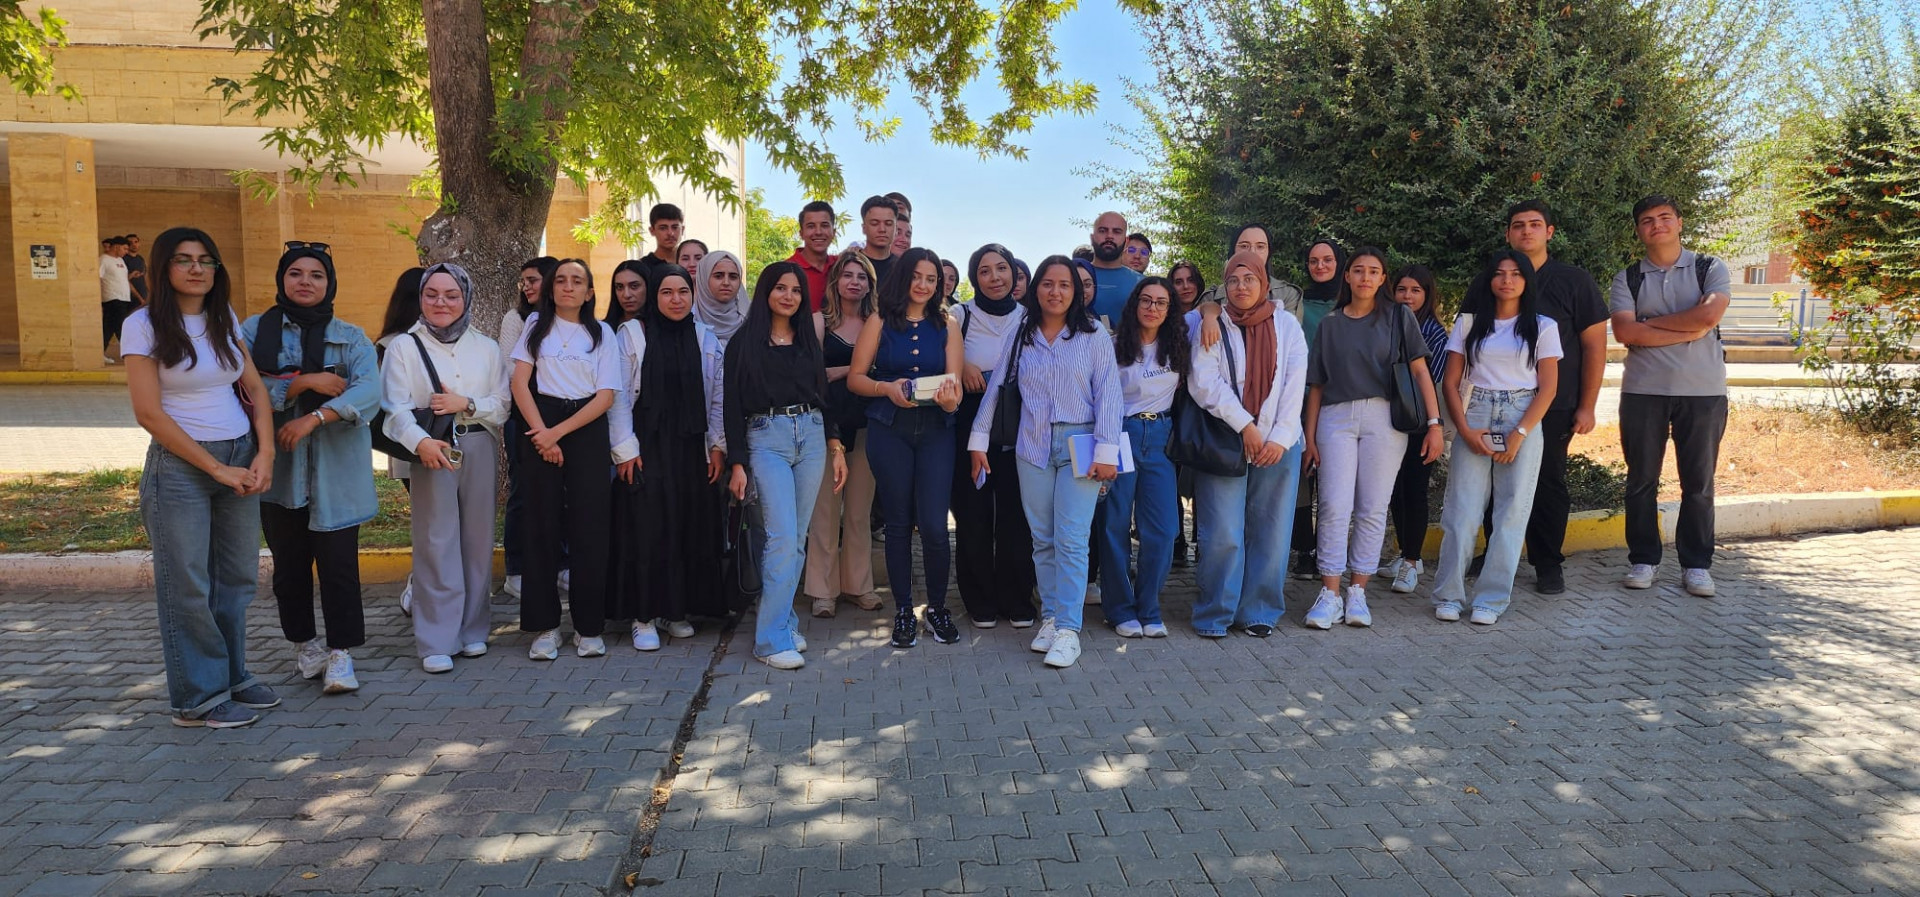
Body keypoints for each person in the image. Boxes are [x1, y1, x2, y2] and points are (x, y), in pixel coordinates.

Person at [124, 227, 279, 728]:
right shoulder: (142, 325)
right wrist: (215, 468)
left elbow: (254, 387)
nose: (197, 269)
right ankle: (198, 699)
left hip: (240, 454)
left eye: (206, 260)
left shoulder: (222, 317)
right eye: (184, 259)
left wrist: (265, 454)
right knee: (187, 584)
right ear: (162, 267)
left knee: (236, 579)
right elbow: (148, 413)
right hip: (181, 468)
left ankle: (232, 676)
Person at [968, 255, 1121, 668]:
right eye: (1048, 284)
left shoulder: (1093, 334)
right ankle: (1052, 618)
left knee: (1071, 538)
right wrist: (978, 441)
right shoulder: (1022, 332)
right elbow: (997, 388)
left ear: (1076, 292)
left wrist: (1107, 451)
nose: (1056, 292)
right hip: (1032, 445)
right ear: (1036, 289)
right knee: (1043, 539)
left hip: (1081, 444)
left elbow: (1109, 393)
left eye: (1065, 285)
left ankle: (1069, 629)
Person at [240, 242, 379, 695]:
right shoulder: (252, 332)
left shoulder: (351, 337)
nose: (305, 282)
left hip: (337, 474)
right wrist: (302, 383)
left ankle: (341, 654)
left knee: (339, 568)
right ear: (281, 279)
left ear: (329, 283)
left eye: (316, 275)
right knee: (289, 569)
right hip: (278, 473)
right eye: (295, 273)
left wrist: (314, 417)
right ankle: (305, 644)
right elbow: (241, 386)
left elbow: (369, 393)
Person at [1302, 246, 1444, 630]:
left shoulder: (1398, 316)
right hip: (1335, 417)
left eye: (1374, 271)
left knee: (1373, 507)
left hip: (1384, 418)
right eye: (1358, 270)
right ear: (1347, 276)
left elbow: (1420, 371)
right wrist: (1309, 438)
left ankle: (1357, 591)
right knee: (1333, 505)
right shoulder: (1330, 324)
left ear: (1383, 279)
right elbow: (1316, 385)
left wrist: (1435, 424)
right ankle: (1329, 593)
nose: (1365, 277)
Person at [381, 262, 510, 671]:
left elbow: (503, 405)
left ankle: (473, 630)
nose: (441, 302)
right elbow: (393, 409)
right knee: (436, 540)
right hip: (431, 447)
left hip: (479, 443)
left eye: (451, 295)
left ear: (465, 298)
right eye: (432, 294)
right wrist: (420, 443)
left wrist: (466, 403)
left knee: (477, 538)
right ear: (420, 297)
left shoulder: (486, 347)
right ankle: (438, 637)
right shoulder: (404, 347)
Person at [724, 262, 848, 670]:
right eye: (780, 288)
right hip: (766, 438)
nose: (788, 296)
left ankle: (783, 621)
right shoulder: (743, 343)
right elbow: (731, 407)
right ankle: (769, 640)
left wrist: (835, 446)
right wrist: (738, 464)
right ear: (765, 292)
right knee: (779, 538)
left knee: (795, 540)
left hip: (811, 436)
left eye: (796, 290)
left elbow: (823, 395)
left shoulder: (807, 339)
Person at [1608, 194, 1730, 596]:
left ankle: (1696, 565)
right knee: (1641, 481)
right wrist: (1689, 329)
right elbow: (1625, 331)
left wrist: (1651, 325)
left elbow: (1709, 315)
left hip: (1703, 391)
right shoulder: (1628, 278)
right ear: (1638, 230)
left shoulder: (1709, 268)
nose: (1656, 225)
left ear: (1679, 223)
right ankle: (1643, 559)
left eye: (1664, 217)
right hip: (1643, 391)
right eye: (1647, 220)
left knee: (1699, 483)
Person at [1431, 251, 1563, 625]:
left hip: (1522, 414)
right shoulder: (1468, 323)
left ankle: (1491, 599)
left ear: (1527, 281)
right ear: (1489, 280)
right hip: (1475, 412)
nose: (1507, 280)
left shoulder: (1543, 326)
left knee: (1511, 513)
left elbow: (1548, 388)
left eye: (1516, 274)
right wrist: (1465, 431)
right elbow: (1451, 383)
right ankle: (1449, 595)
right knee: (1462, 511)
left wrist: (1519, 435)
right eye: (1500, 274)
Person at [1184, 252, 1308, 638]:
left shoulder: (1287, 325)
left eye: (1249, 279)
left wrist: (1280, 438)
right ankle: (1215, 612)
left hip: (1279, 443)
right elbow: (1203, 382)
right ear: (1225, 286)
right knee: (1222, 532)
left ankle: (1259, 611)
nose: (1241, 287)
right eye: (1234, 280)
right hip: (1226, 440)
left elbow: (1295, 383)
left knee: (1271, 530)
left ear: (1264, 283)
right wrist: (1246, 426)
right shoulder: (1213, 323)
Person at [848, 247, 964, 649]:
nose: (923, 285)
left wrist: (950, 401)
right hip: (889, 429)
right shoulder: (880, 319)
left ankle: (937, 608)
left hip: (936, 432)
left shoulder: (947, 324)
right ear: (903, 277)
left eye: (931, 279)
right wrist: (886, 388)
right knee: (897, 523)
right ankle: (902, 610)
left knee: (934, 525)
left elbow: (955, 386)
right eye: (917, 276)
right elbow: (856, 378)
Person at [609, 265, 728, 650]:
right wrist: (624, 449)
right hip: (646, 449)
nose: (676, 300)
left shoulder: (705, 336)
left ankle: (675, 610)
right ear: (654, 296)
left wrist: (717, 446)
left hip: (691, 449)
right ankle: (643, 617)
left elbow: (718, 396)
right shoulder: (632, 333)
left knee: (684, 527)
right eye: (666, 292)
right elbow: (619, 395)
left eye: (683, 292)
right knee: (648, 529)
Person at [510, 258, 621, 661]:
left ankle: (588, 627)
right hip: (540, 422)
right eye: (560, 280)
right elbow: (519, 383)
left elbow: (605, 396)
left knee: (589, 527)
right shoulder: (535, 327)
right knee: (541, 526)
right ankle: (545, 627)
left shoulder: (602, 333)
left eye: (577, 281)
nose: (568, 287)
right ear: (550, 288)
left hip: (585, 427)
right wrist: (542, 432)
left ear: (589, 292)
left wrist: (557, 434)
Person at [1503, 200, 1611, 594]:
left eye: (1535, 224)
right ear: (1508, 234)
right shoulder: (1497, 278)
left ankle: (1547, 563)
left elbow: (1595, 346)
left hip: (1555, 402)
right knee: (1498, 479)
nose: (1526, 231)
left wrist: (1587, 405)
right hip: (1500, 401)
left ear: (1549, 232)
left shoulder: (1573, 281)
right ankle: (1496, 554)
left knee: (1547, 481)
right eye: (1518, 225)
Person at [949, 244, 1038, 629]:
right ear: (975, 278)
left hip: (1020, 419)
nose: (995, 277)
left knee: (1018, 514)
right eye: (985, 271)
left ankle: (1017, 598)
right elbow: (939, 357)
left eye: (1002, 268)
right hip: (970, 420)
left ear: (1014, 274)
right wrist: (963, 365)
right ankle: (980, 600)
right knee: (974, 512)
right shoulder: (959, 315)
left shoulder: (1031, 317)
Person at [1099, 277, 1189, 638]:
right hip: (1121, 433)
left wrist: (1212, 312)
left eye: (1161, 302)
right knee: (1114, 525)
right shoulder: (1112, 345)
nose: (1153, 308)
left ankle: (1148, 607)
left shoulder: (1179, 346)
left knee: (1164, 530)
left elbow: (1209, 311)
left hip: (1161, 437)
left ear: (1170, 309)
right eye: (1147, 300)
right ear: (1135, 304)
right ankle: (1119, 609)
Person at [805, 250, 883, 617]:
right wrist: (852, 370)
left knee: (858, 512)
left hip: (867, 425)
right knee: (824, 511)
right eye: (848, 275)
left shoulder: (878, 324)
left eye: (862, 276)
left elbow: (883, 371)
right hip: (825, 428)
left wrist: (842, 371)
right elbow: (811, 376)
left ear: (870, 285)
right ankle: (823, 591)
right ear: (836, 281)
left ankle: (859, 586)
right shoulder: (818, 322)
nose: (855, 282)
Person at [1382, 265, 1451, 594]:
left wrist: (1434, 426)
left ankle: (1412, 561)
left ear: (1427, 295)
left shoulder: (1435, 334)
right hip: (1391, 421)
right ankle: (1404, 554)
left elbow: (1432, 382)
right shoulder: (1386, 324)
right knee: (1395, 490)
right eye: (1401, 290)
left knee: (1415, 490)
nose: (1407, 296)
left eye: (1415, 291)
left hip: (1422, 424)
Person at [499, 256, 558, 601]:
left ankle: (560, 564)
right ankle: (516, 569)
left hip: (561, 417)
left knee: (560, 493)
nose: (527, 287)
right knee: (523, 491)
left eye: (534, 280)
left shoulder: (568, 319)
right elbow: (511, 371)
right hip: (522, 417)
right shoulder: (515, 319)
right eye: (524, 281)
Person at [374, 267, 426, 618]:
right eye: (430, 293)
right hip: (412, 447)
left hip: (449, 445)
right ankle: (418, 586)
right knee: (429, 522)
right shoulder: (392, 345)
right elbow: (388, 403)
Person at [1086, 212, 1143, 326]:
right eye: (1103, 230)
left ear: (1126, 242)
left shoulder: (1142, 283)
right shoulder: (1073, 278)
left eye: (1117, 231)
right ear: (1092, 238)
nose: (1109, 236)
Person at [787, 200, 836, 311]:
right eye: (811, 226)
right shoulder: (786, 270)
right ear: (801, 233)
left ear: (834, 232)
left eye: (824, 225)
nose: (818, 232)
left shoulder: (842, 267)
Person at [694, 250, 748, 349]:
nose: (726, 282)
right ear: (704, 279)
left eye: (733, 277)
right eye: (718, 276)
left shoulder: (751, 321)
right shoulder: (688, 320)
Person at [101, 236, 133, 364]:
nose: (126, 251)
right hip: (112, 298)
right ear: (116, 246)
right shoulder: (103, 260)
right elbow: (98, 278)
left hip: (124, 298)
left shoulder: (120, 260)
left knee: (108, 328)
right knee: (121, 327)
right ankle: (130, 354)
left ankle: (100, 353)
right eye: (124, 248)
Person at [857, 196, 899, 286]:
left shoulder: (902, 267)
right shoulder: (850, 263)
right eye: (874, 223)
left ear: (896, 229)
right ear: (864, 228)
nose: (882, 229)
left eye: (888, 224)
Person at [637, 203, 684, 280]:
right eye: (663, 228)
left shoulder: (692, 264)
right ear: (652, 231)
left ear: (683, 229)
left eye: (675, 227)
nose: (670, 233)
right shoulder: (642, 267)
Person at [604, 259, 649, 328]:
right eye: (619, 287)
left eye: (634, 286)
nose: (626, 295)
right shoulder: (603, 330)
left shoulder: (662, 329)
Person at [124, 233, 149, 307]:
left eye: (136, 242)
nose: (134, 245)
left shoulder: (140, 258)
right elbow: (124, 280)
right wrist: (139, 298)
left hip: (144, 295)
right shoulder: (124, 259)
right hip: (131, 297)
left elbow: (145, 276)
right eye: (130, 243)